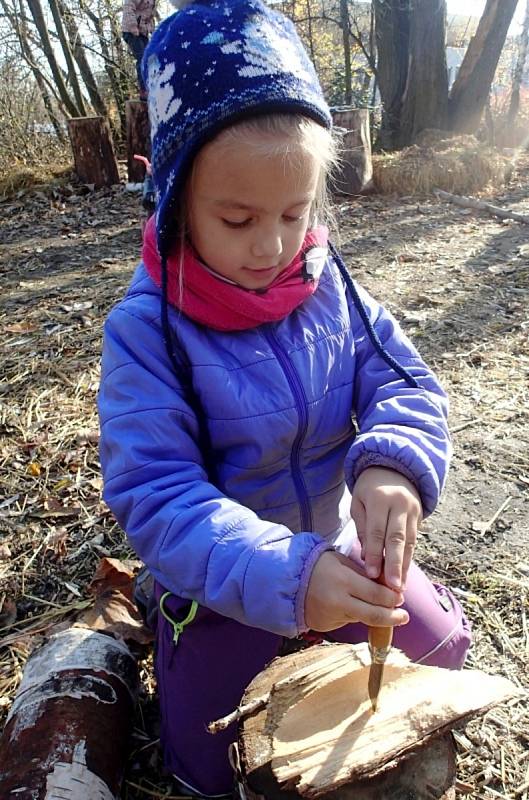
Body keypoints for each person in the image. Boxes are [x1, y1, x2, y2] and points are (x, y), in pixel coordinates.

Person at [98, 1, 472, 796]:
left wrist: (391, 469)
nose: (272, 246)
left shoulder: (327, 282)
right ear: (173, 205)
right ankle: (182, 657)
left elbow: (401, 383)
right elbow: (156, 494)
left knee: (441, 654)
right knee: (209, 762)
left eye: (295, 214)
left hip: (341, 552)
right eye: (236, 219)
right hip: (224, 578)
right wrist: (286, 575)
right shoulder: (148, 331)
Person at [121, 0, 156, 98]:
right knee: (142, 58)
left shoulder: (153, 2)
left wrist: (153, 31)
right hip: (131, 31)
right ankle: (144, 90)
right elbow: (128, 8)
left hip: (142, 32)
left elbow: (149, 17)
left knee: (150, 58)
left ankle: (151, 87)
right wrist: (133, 26)